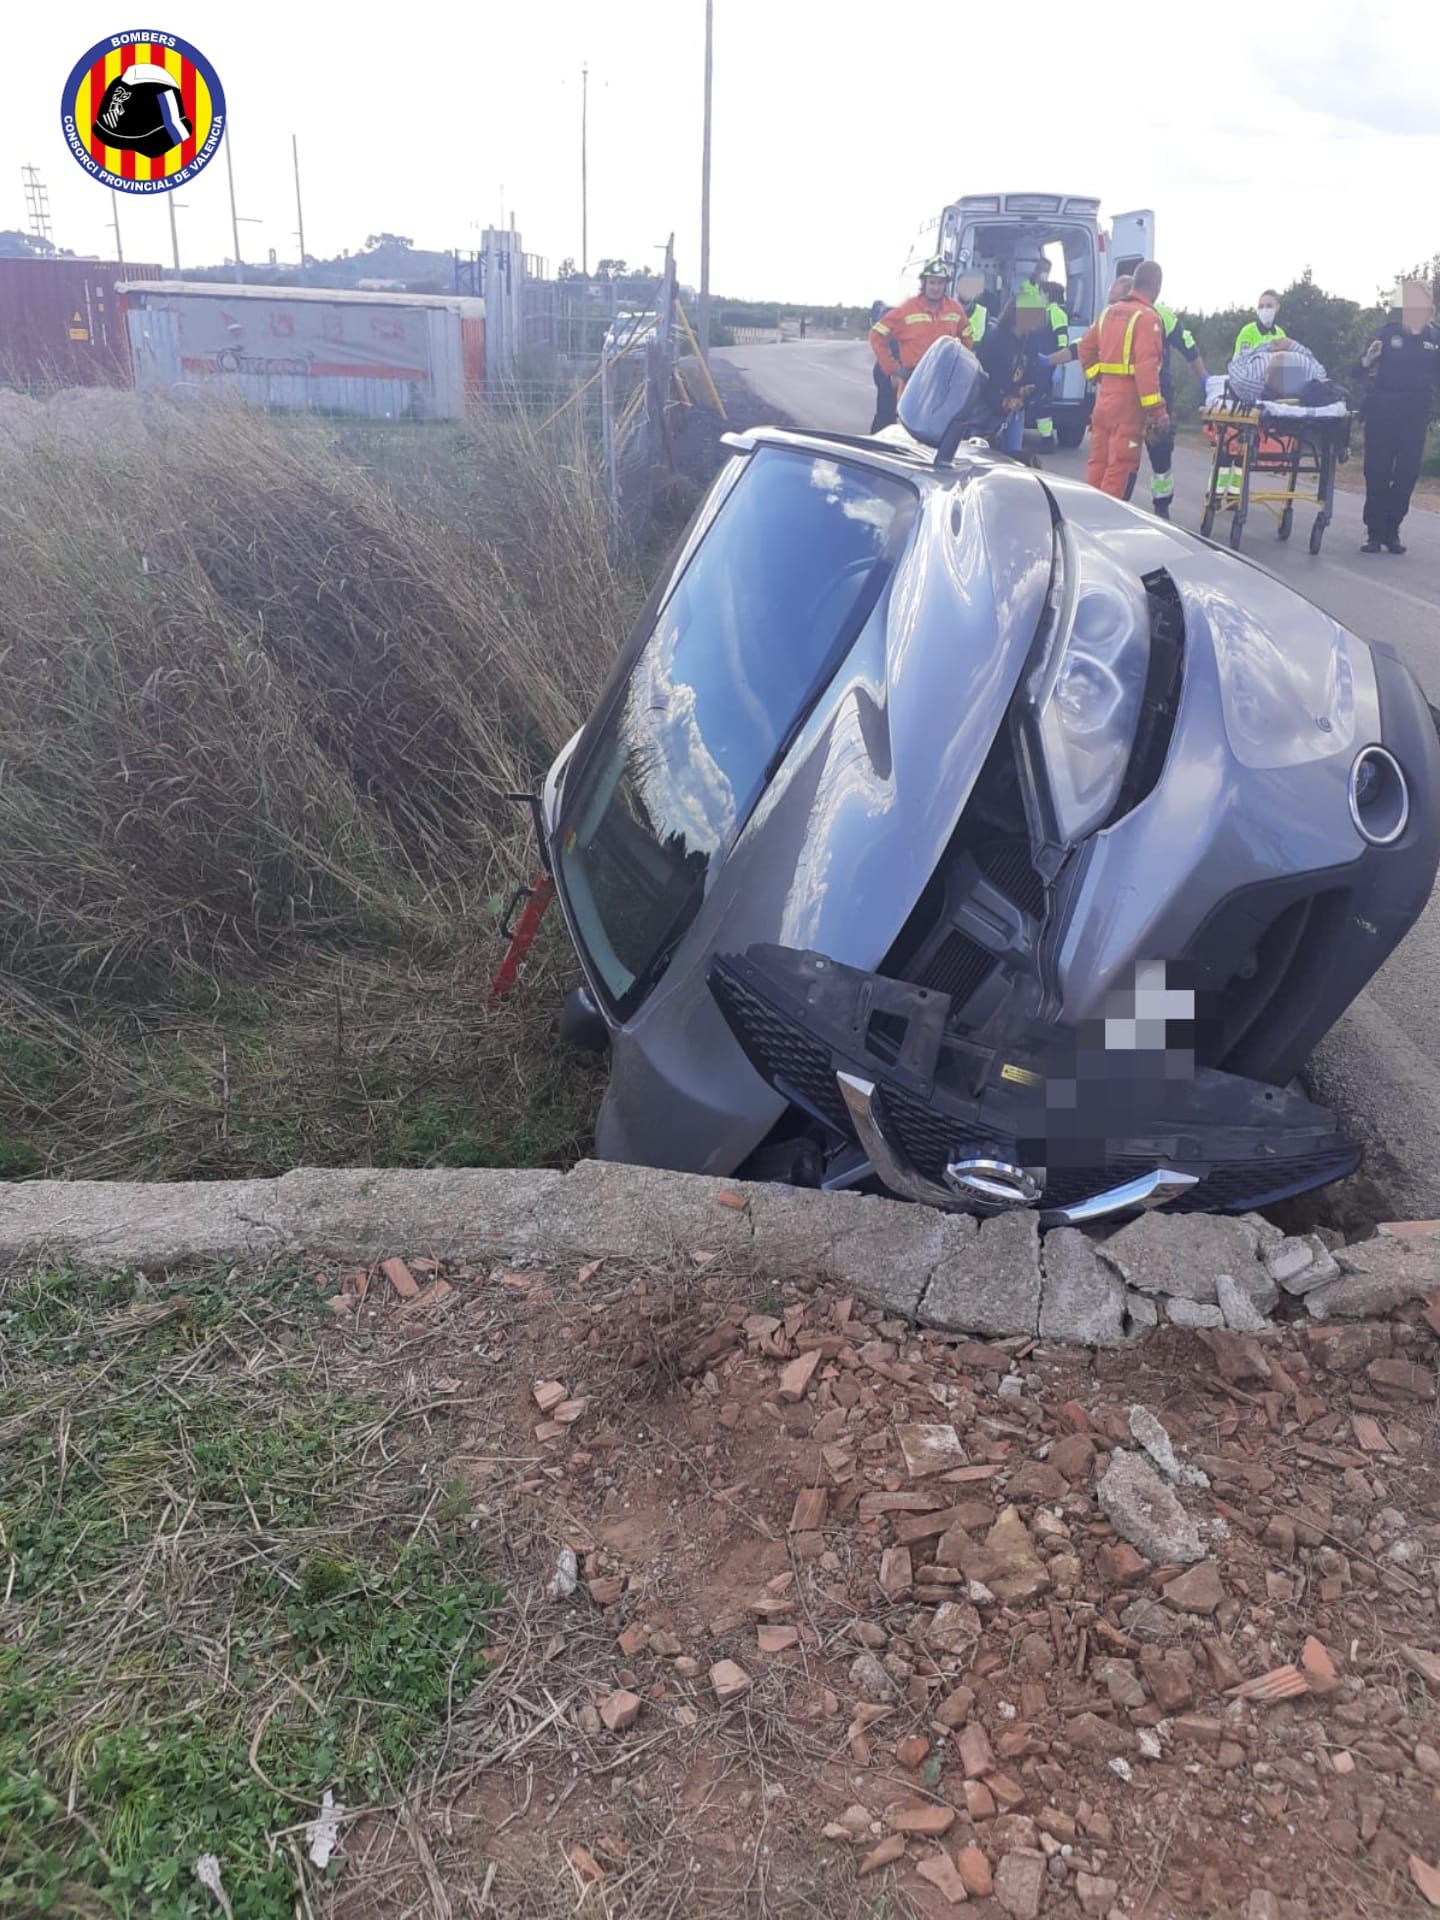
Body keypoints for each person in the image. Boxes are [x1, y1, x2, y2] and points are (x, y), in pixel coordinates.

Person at [1050, 262, 1167, 497]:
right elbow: (1146, 369)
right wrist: (1158, 410)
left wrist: (1098, 377)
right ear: (1156, 286)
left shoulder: (1108, 313)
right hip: (1128, 404)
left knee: (1098, 462)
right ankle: (1106, 523)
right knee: (1120, 466)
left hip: (1104, 400)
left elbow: (1084, 349)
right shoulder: (1147, 318)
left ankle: (1088, 515)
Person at [1355, 279, 1440, 555]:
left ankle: (1393, 528)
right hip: (1382, 412)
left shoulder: (1434, 339)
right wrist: (1367, 359)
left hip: (1415, 417)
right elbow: (1357, 370)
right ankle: (1374, 532)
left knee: (1406, 474)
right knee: (1376, 473)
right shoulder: (1388, 334)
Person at [869, 259, 974, 431]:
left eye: (940, 283)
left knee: (937, 431)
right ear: (924, 284)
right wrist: (893, 368)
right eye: (932, 282)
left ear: (946, 285)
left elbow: (967, 335)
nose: (935, 287)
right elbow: (876, 335)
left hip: (943, 383)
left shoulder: (955, 310)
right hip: (914, 381)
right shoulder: (907, 309)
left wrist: (961, 364)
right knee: (908, 431)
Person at [1128, 302, 1207, 518]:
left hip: (1152, 390)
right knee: (1126, 448)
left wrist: (1204, 379)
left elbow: (1188, 346)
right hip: (1131, 390)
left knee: (1159, 449)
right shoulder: (1121, 309)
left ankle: (1161, 504)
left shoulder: (1162, 315)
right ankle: (1120, 499)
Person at [1234, 290, 1286, 358]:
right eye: (1261, 306)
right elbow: (1240, 361)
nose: (1264, 309)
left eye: (1269, 306)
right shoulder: (1247, 331)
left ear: (1277, 307)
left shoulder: (1281, 334)